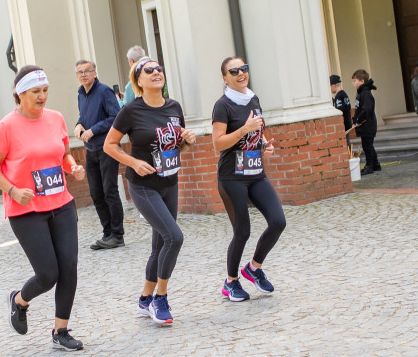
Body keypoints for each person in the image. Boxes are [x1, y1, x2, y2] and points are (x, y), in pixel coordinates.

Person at [0, 64, 87, 351]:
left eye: (45, 91)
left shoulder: (55, 119)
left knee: (69, 267)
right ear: (20, 94)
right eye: (35, 92)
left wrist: (73, 167)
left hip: (61, 203)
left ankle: (61, 331)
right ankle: (19, 300)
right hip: (26, 210)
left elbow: (63, 153)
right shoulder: (6, 127)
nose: (42, 97)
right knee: (47, 274)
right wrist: (13, 190)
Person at [104, 56, 196, 326]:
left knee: (159, 246)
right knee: (174, 237)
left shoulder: (174, 106)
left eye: (159, 68)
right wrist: (133, 162)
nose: (156, 72)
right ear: (139, 81)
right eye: (149, 70)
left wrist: (187, 141)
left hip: (169, 182)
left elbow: (174, 146)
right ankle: (160, 299)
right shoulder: (131, 111)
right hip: (143, 186)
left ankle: (145, 299)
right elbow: (110, 145)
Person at [213, 58, 287, 302]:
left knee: (278, 221)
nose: (240, 73)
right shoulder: (222, 105)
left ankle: (254, 268)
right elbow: (218, 143)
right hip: (232, 176)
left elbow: (258, 129)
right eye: (233, 71)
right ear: (225, 78)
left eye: (244, 69)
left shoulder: (253, 98)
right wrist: (244, 130)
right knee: (242, 231)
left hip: (255, 173)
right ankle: (230, 281)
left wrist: (264, 144)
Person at [74, 59, 125, 250]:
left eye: (87, 71)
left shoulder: (104, 91)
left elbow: (116, 117)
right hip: (90, 149)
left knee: (109, 191)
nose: (84, 75)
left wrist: (93, 130)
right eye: (80, 72)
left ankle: (117, 235)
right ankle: (107, 233)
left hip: (106, 148)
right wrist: (79, 124)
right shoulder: (81, 94)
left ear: (95, 73)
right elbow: (84, 116)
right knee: (96, 193)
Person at [351, 70, 381, 175]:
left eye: (355, 81)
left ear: (362, 81)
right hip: (365, 124)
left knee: (367, 146)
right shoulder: (361, 93)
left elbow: (366, 109)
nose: (353, 83)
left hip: (367, 124)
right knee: (368, 145)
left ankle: (370, 165)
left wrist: (359, 120)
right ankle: (375, 164)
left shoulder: (365, 94)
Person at [330, 75, 353, 145]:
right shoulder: (344, 94)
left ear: (333, 86)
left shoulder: (338, 96)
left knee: (345, 143)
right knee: (347, 141)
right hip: (348, 123)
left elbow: (340, 111)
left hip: (344, 125)